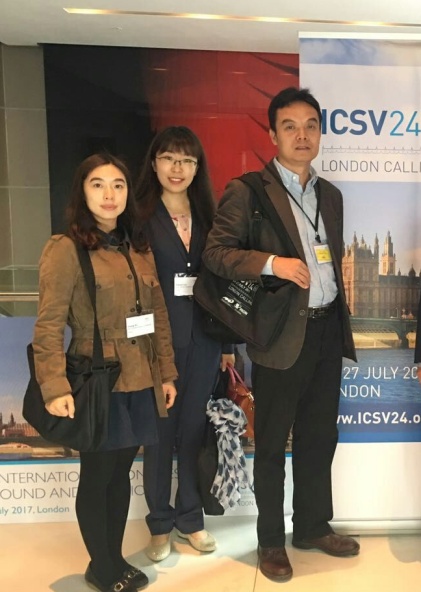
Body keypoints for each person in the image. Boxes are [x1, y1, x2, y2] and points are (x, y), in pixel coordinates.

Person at [202, 87, 360, 582]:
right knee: (271, 444)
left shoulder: (330, 196)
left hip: (327, 330)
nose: (302, 135)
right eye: (290, 126)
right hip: (279, 337)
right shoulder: (248, 191)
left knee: (320, 436)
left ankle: (312, 525)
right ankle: (270, 539)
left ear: (320, 133)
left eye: (311, 125)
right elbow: (216, 254)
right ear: (273, 134)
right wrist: (273, 263)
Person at [32, 153, 178, 592]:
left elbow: (158, 315)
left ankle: (112, 559)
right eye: (98, 184)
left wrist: (166, 373)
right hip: (98, 378)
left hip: (140, 377)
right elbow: (48, 324)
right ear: (82, 191)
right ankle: (103, 566)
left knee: (120, 472)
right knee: (98, 474)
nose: (109, 194)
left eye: (118, 184)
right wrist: (54, 385)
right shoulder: (66, 249)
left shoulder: (137, 247)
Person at [135, 126, 234, 561]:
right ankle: (159, 523)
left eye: (187, 160)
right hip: (158, 343)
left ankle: (190, 518)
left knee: (193, 430)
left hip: (205, 340)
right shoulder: (139, 216)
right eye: (169, 158)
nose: (178, 168)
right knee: (159, 434)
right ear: (154, 163)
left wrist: (228, 346)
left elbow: (223, 284)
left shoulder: (210, 217)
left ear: (198, 168)